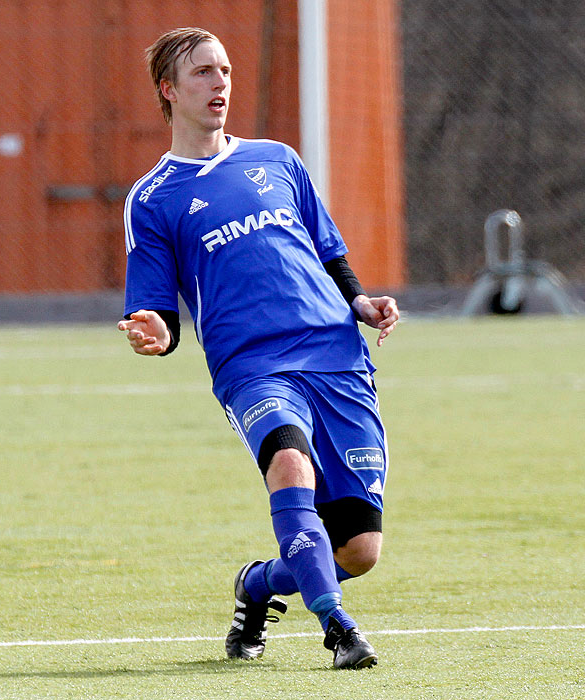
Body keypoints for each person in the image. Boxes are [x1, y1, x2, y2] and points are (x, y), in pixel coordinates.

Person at [118, 27, 399, 670]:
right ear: (168, 89)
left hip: (336, 355)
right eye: (202, 74)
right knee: (289, 466)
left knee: (358, 549)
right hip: (253, 367)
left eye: (224, 70)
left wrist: (360, 302)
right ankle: (338, 628)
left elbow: (328, 250)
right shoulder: (154, 196)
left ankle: (258, 584)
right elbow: (157, 305)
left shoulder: (278, 159)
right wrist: (157, 334)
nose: (220, 84)